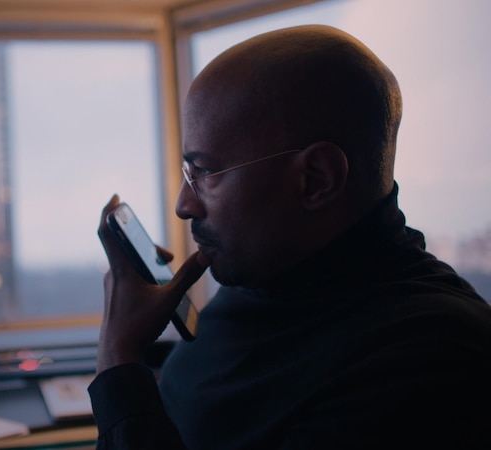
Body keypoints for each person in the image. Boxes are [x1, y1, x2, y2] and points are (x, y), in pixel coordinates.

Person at [91, 24, 491, 449]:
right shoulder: (269, 274)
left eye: (205, 172)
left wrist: (118, 359)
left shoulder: (434, 360)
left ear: (315, 180)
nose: (183, 205)